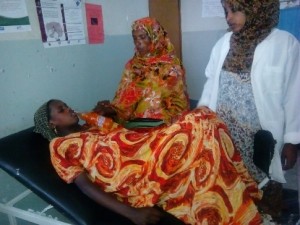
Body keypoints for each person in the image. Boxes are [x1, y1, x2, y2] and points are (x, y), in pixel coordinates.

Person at [34, 99, 263, 225]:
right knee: (199, 121)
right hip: (138, 175)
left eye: (66, 104)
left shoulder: (89, 126)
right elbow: (83, 185)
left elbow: (121, 133)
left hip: (143, 150)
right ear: (52, 123)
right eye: (61, 110)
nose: (69, 108)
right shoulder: (59, 146)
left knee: (205, 118)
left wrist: (100, 114)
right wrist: (131, 213)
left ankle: (233, 203)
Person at [198, 0, 300, 219]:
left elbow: (294, 94)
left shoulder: (285, 44)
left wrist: (293, 140)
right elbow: (210, 83)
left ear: (257, 7)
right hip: (225, 135)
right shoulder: (224, 43)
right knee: (227, 187)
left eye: (235, 10)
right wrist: (202, 116)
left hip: (260, 137)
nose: (229, 17)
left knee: (264, 189)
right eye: (226, 11)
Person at [94, 17, 190, 126]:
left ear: (155, 37)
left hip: (161, 123)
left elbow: (177, 102)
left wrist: (148, 116)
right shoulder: (132, 65)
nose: (138, 42)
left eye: (142, 37)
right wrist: (112, 109)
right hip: (131, 121)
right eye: (134, 38)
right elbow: (123, 96)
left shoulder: (171, 66)